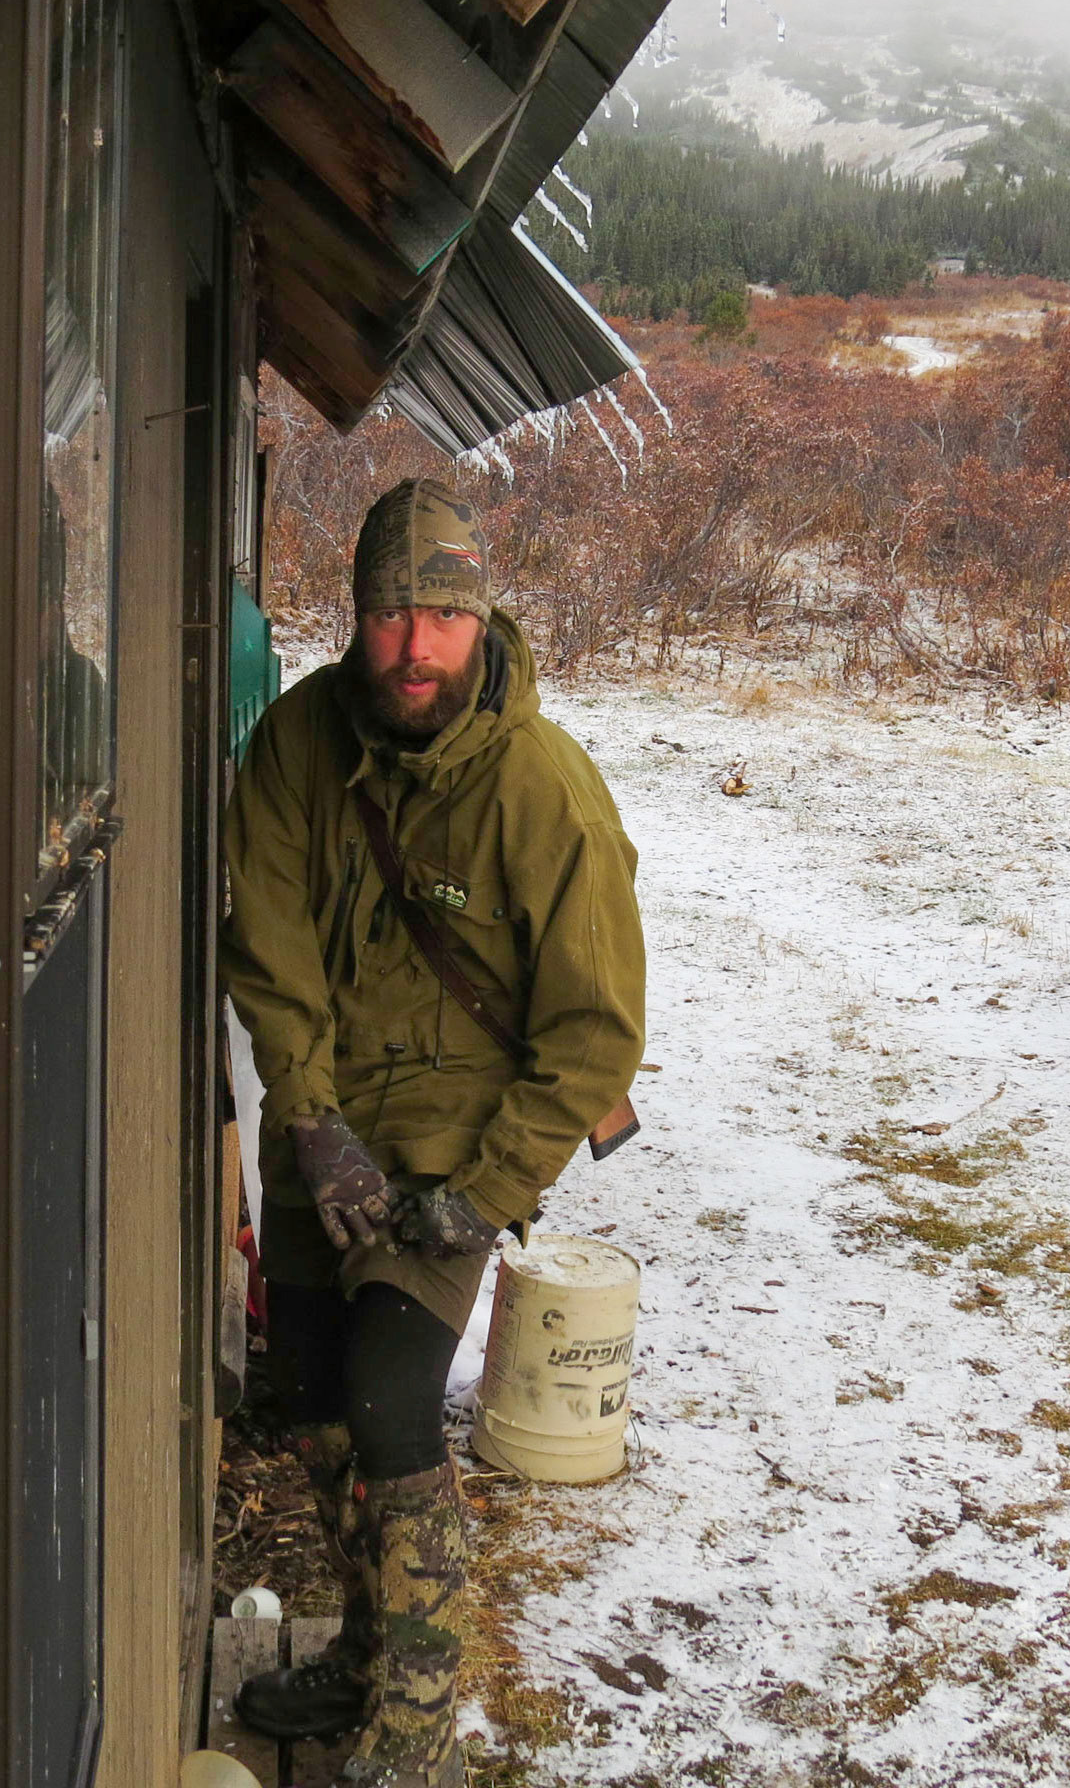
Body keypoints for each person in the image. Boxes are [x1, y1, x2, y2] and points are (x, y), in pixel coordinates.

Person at [222, 478, 646, 1788]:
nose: (414, 648)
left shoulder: (543, 789)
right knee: (306, 1405)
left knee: (392, 1400)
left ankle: (407, 1733)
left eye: (442, 620)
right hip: (333, 1121)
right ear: (355, 617)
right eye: (390, 615)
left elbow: (595, 1031)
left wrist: (486, 1187)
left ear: (485, 619)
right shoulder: (296, 747)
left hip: (462, 1132)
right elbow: (273, 955)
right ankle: (359, 1652)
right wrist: (309, 1120)